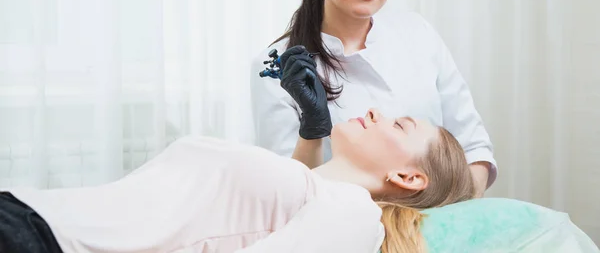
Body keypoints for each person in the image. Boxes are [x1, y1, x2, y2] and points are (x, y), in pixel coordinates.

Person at [250, 0, 497, 197]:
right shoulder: (277, 66)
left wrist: (439, 230)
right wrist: (312, 132)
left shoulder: (418, 34)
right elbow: (285, 194)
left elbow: (473, 151)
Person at [0, 108, 473, 253]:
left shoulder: (356, 213)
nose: (375, 112)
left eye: (400, 125)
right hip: (31, 214)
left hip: (42, 239)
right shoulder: (307, 186)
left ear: (407, 176)